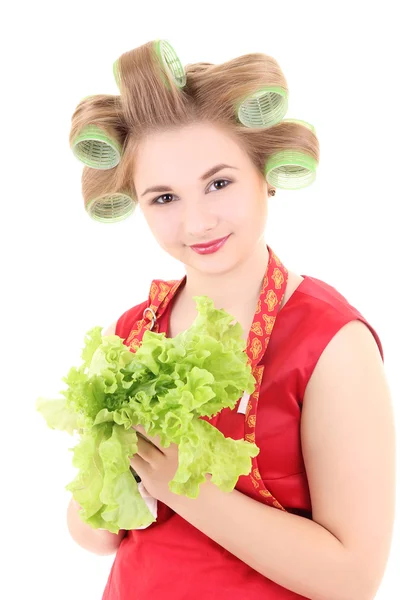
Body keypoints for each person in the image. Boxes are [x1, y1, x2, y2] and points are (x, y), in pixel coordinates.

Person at [66, 40, 396, 599]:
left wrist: (184, 488)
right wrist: (112, 473)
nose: (196, 222)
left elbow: (353, 579)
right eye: (163, 198)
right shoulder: (134, 329)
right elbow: (93, 535)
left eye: (219, 183)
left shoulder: (332, 343)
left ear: (266, 173)